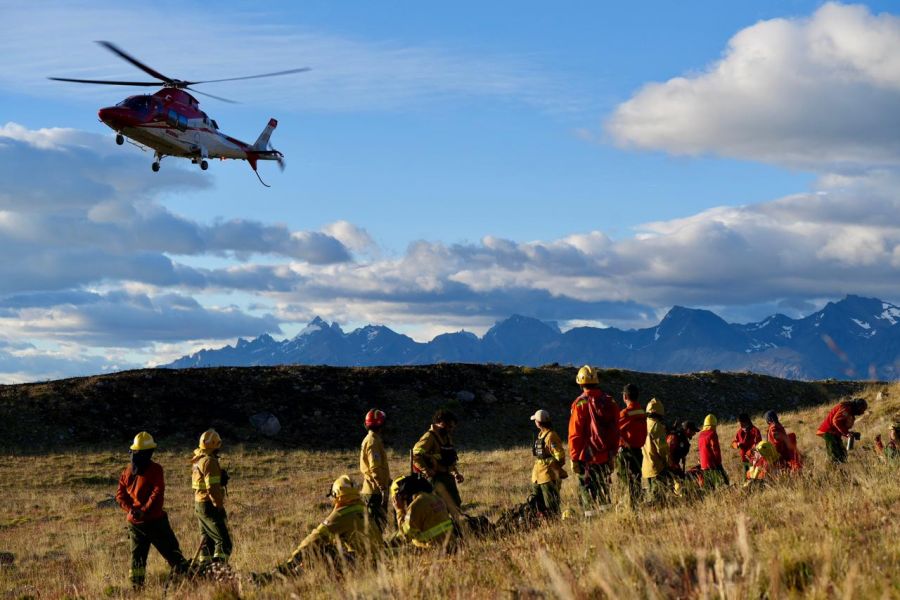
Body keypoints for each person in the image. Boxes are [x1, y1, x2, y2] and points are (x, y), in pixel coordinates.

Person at [255, 475, 382, 582]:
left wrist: (292, 560)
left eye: (333, 498)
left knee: (319, 550)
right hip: (378, 564)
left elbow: (314, 537)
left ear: (337, 495)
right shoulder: (362, 510)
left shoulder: (341, 514)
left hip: (362, 566)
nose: (333, 501)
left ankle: (278, 576)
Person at [116, 432, 189, 589]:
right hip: (155, 521)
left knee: (137, 558)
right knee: (173, 552)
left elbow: (120, 496)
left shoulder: (126, 471)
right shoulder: (155, 469)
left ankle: (136, 589)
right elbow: (157, 492)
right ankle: (189, 581)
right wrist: (144, 510)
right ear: (149, 451)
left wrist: (132, 511)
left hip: (134, 523)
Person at [568, 365, 619, 515]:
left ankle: (591, 523)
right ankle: (608, 522)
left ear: (580, 383)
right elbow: (616, 430)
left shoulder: (580, 404)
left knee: (587, 493)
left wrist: (574, 458)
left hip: (586, 458)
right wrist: (612, 454)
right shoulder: (610, 401)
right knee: (604, 492)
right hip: (605, 456)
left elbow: (575, 434)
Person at [412, 409, 464, 519]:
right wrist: (426, 470)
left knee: (455, 506)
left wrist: (456, 473)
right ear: (441, 423)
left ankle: (457, 531)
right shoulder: (429, 437)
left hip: (447, 478)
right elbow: (416, 454)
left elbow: (449, 457)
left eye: (452, 427)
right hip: (435, 479)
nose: (451, 430)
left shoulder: (446, 437)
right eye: (449, 426)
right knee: (438, 509)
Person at [191, 429, 233, 564]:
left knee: (207, 540)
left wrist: (219, 475)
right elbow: (213, 488)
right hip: (209, 504)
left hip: (199, 505)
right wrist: (219, 506)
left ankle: (204, 570)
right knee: (224, 541)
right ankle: (218, 571)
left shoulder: (198, 459)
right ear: (216, 444)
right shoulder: (210, 461)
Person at [391, 474, 455, 551]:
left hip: (432, 549)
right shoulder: (436, 498)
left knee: (389, 553)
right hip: (451, 545)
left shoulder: (416, 505)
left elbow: (406, 536)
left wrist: (399, 510)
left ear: (405, 495)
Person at [529, 409, 566, 518]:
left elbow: (560, 456)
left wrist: (554, 470)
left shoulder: (551, 436)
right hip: (537, 476)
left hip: (548, 476)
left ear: (538, 423)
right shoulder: (541, 435)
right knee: (536, 503)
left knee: (551, 506)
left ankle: (554, 526)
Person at [616, 384, 647, 509]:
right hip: (639, 452)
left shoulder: (625, 413)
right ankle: (636, 505)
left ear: (624, 396)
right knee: (636, 481)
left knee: (626, 482)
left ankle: (629, 508)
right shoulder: (641, 411)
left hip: (627, 453)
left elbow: (614, 430)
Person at [359, 409, 391, 531]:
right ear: (380, 425)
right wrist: (382, 487)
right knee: (376, 527)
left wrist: (388, 480)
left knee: (378, 525)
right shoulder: (372, 442)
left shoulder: (374, 440)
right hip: (374, 492)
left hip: (375, 490)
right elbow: (375, 468)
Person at [816, 398, 868, 464]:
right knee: (835, 456)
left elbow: (841, 426)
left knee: (843, 455)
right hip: (829, 431)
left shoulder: (849, 411)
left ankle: (840, 469)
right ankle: (835, 470)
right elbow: (836, 421)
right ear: (857, 407)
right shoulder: (846, 408)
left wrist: (851, 434)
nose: (862, 413)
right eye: (862, 410)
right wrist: (846, 433)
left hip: (834, 433)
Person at [641, 398, 672, 503]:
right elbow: (662, 449)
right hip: (657, 467)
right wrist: (668, 462)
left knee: (651, 494)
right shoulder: (657, 426)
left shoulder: (644, 424)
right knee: (659, 499)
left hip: (646, 467)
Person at [698, 414, 729, 489]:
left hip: (703, 465)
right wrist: (719, 464)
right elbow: (716, 450)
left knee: (707, 486)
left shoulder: (701, 435)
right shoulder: (712, 434)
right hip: (712, 464)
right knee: (717, 484)